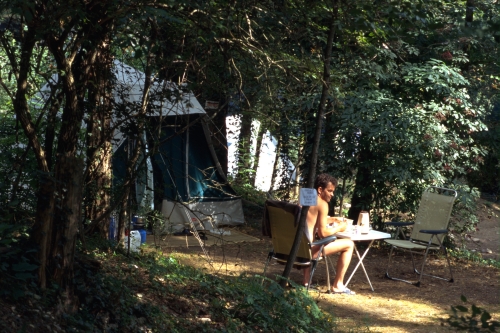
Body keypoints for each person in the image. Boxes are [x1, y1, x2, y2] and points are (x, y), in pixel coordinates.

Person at [302, 173, 355, 294]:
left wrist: (331, 220)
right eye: (330, 191)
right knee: (349, 244)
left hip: (290, 250)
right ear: (320, 189)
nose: (332, 194)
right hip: (306, 252)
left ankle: (306, 281)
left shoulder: (304, 198)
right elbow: (323, 234)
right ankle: (338, 285)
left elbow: (309, 219)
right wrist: (340, 227)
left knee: (307, 239)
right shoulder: (322, 204)